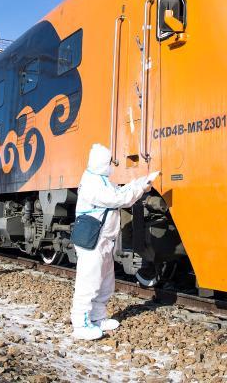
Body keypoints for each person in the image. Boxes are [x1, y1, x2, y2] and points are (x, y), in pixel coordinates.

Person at [71, 143, 159, 340]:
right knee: (89, 283)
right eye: (109, 162)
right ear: (101, 163)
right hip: (92, 240)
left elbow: (119, 192)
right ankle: (81, 325)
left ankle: (98, 317)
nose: (112, 165)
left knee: (105, 282)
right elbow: (118, 199)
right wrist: (140, 188)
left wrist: (138, 183)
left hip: (103, 240)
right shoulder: (92, 183)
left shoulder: (100, 179)